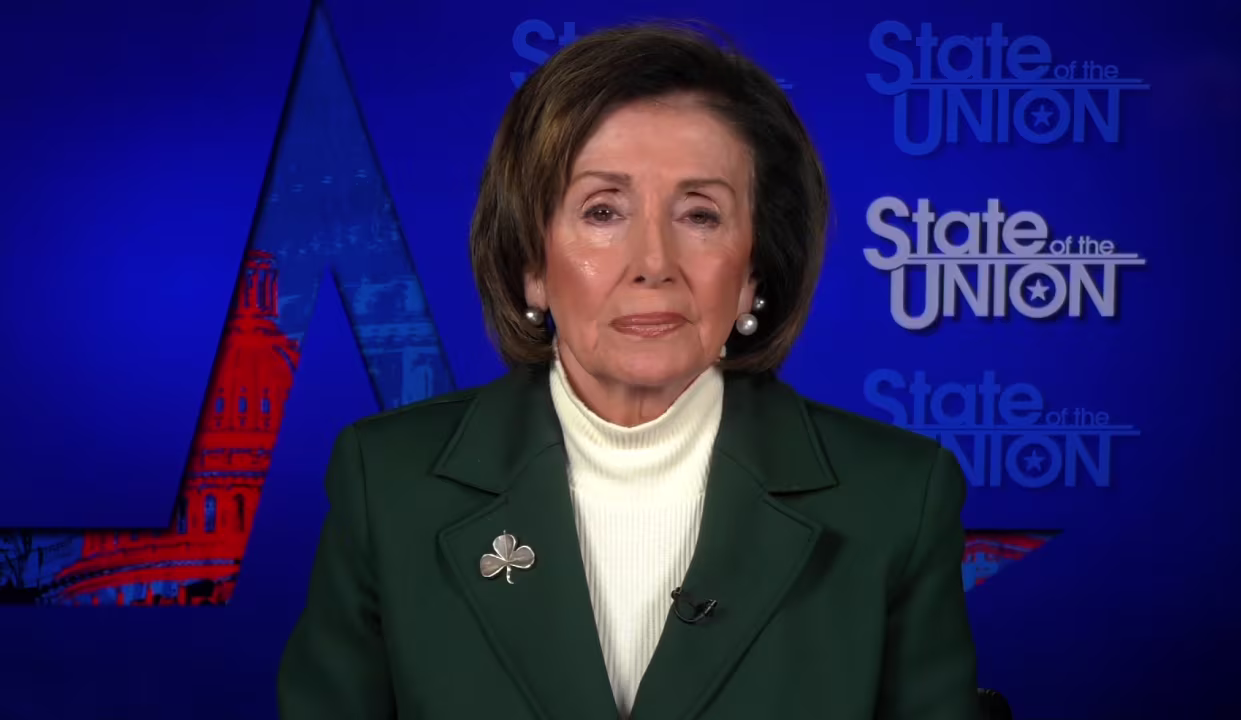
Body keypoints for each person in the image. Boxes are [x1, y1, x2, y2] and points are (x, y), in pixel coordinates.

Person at [278, 21, 978, 720]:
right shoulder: (389, 483)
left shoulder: (894, 500)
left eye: (700, 215)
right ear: (532, 265)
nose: (653, 262)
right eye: (604, 210)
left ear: (752, 274)